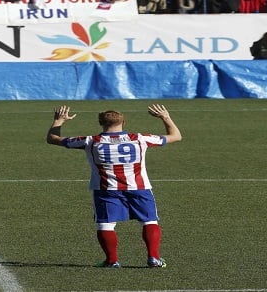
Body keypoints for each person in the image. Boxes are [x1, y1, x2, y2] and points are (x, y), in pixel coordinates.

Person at [46, 104, 182, 268]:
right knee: (149, 221)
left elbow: (52, 139)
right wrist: (165, 117)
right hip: (139, 187)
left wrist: (58, 121)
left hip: (106, 189)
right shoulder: (139, 138)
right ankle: (154, 258)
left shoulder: (90, 141)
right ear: (123, 122)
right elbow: (176, 136)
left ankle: (112, 261)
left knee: (105, 224)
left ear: (100, 123)